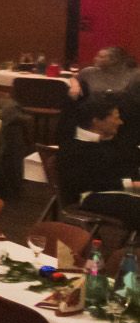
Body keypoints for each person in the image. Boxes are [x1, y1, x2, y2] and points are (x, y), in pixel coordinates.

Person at [57, 97, 140, 227]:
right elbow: (84, 183)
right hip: (89, 197)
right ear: (97, 121)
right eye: (116, 117)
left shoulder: (109, 142)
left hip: (116, 191)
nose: (120, 122)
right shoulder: (73, 148)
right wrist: (131, 184)